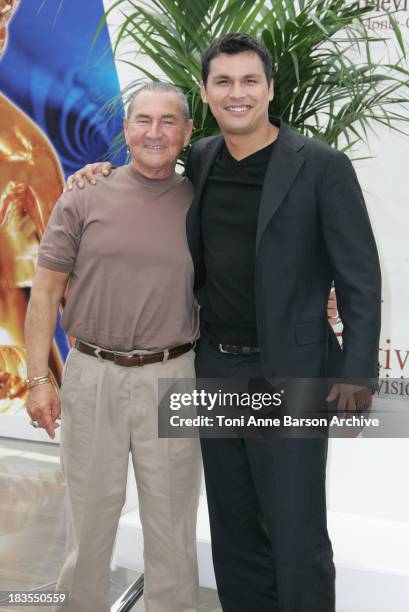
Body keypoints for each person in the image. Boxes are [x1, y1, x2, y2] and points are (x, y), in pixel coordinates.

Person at [66, 33, 381, 612]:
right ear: (207, 95)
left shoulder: (321, 167)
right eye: (223, 82)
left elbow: (360, 278)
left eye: (249, 80)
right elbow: (147, 191)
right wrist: (93, 176)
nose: (237, 93)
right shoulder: (203, 159)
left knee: (295, 529)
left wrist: (358, 372)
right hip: (214, 368)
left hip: (291, 372)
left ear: (268, 89)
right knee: (233, 529)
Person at [24, 83, 202, 612]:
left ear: (188, 132)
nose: (155, 132)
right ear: (125, 129)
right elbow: (46, 291)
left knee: (172, 530)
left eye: (168, 121)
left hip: (174, 376)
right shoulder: (83, 196)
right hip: (92, 374)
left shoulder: (202, 201)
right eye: (142, 120)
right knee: (91, 523)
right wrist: (38, 378)